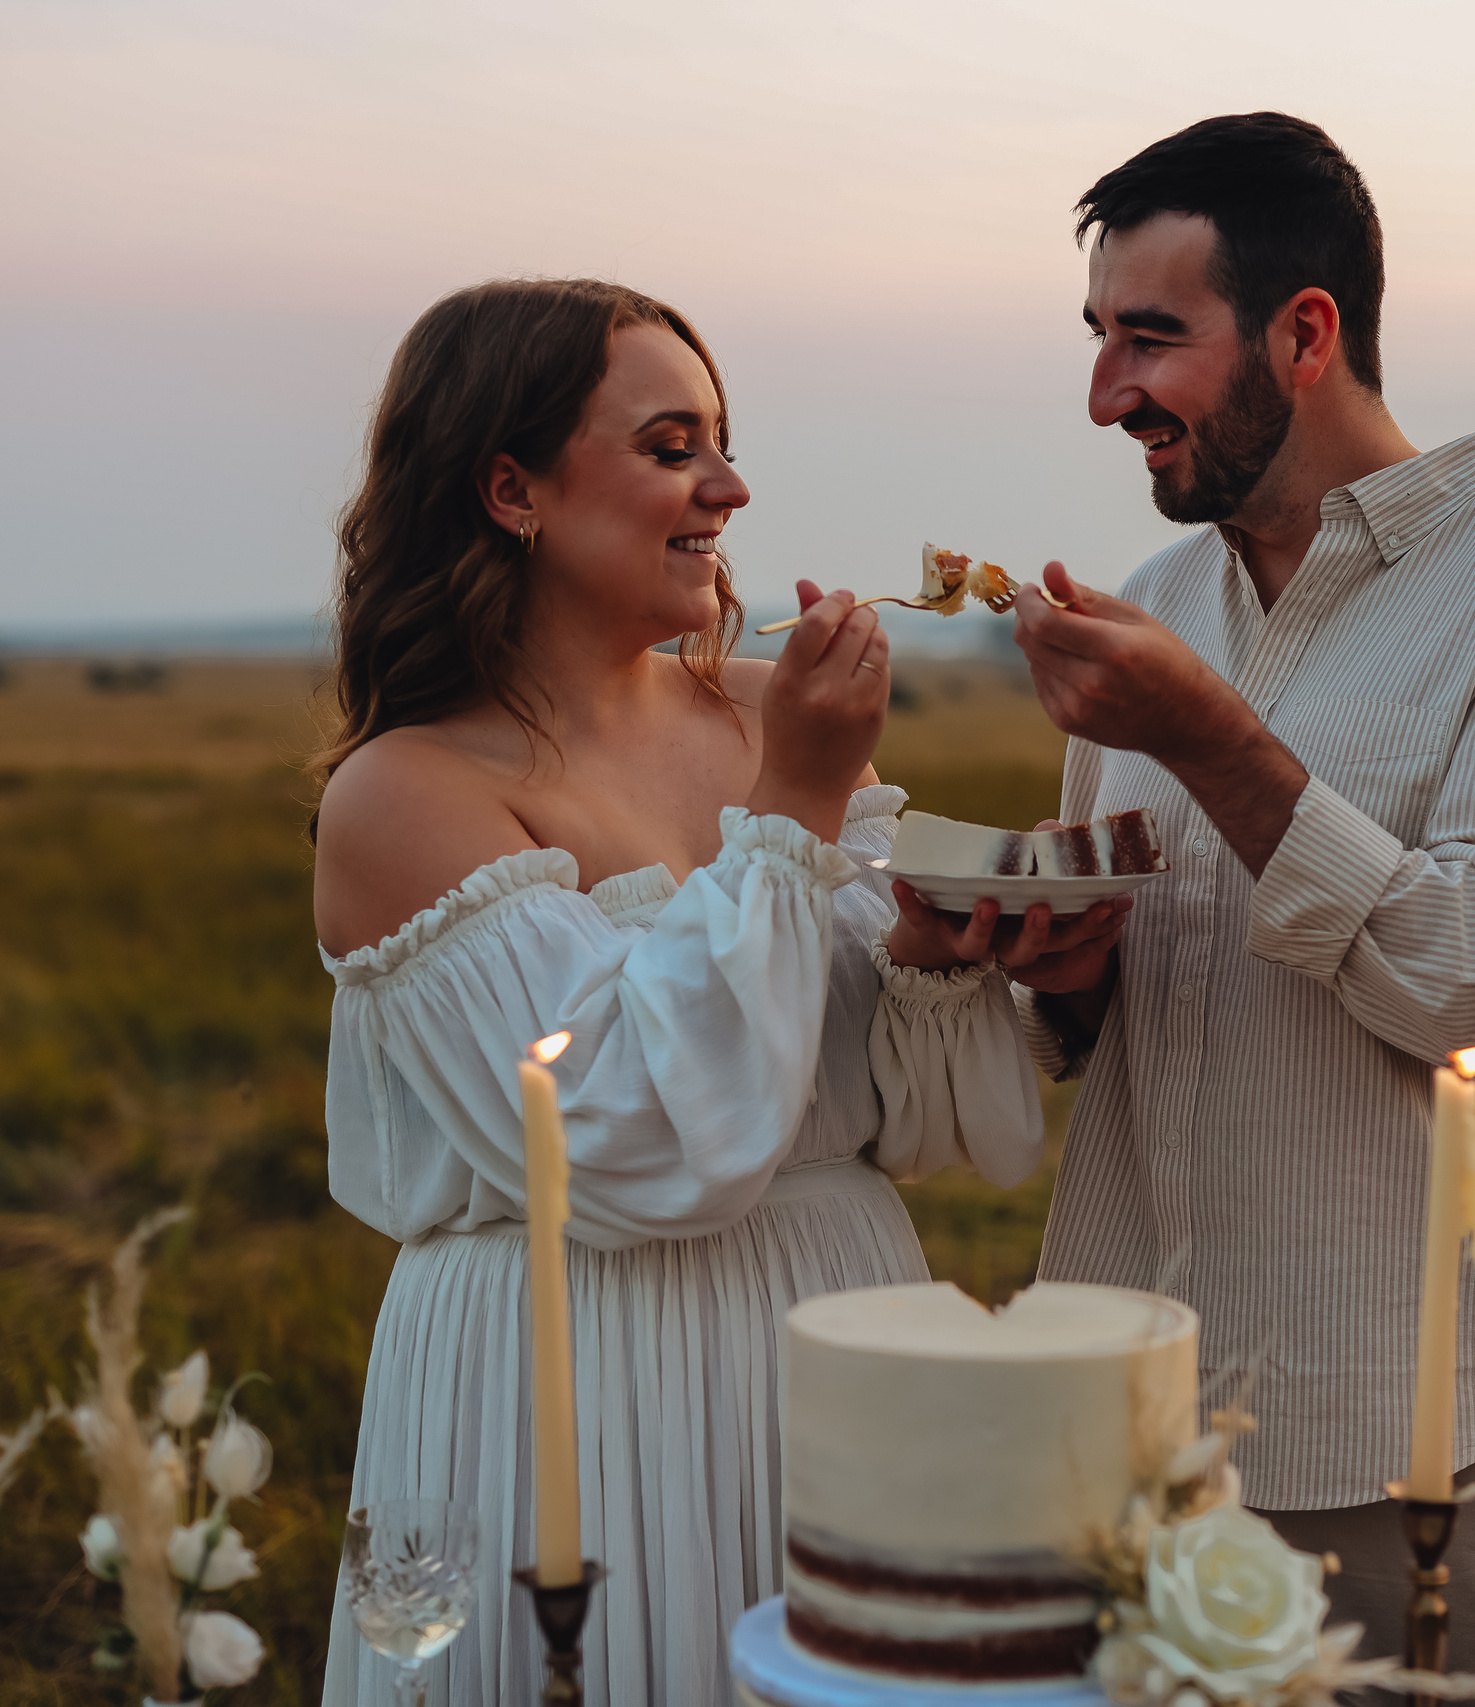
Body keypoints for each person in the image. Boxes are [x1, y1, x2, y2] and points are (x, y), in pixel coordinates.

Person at [310, 278, 1120, 1706]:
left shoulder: (756, 707)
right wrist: (795, 804)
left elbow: (896, 1119)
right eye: (671, 447)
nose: (730, 490)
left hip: (835, 1333)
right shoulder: (405, 793)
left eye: (723, 445)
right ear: (512, 489)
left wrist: (934, 966)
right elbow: (623, 1143)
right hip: (583, 1377)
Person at [1010, 115, 1475, 1707]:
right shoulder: (1157, 609)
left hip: (1434, 1426)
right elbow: (1120, 1009)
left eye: (1150, 338)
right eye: (1098, 338)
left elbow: (1472, 982)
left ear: (1305, 335)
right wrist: (1055, 971)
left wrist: (1213, 740)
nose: (1105, 395)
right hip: (1137, 1417)